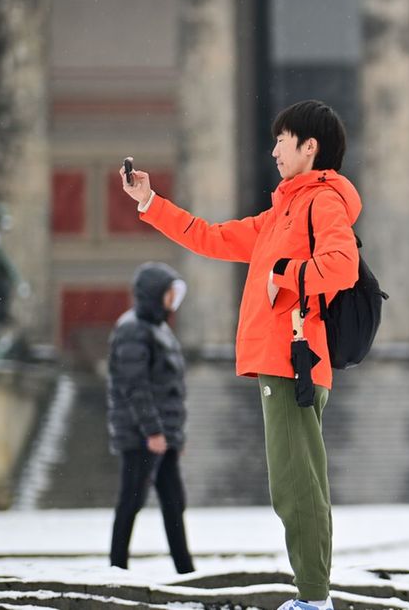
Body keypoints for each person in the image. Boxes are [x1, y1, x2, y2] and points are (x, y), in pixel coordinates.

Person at [121, 100, 361, 610]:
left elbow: (342, 265)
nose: (273, 149)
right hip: (277, 358)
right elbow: (209, 237)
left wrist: (284, 279)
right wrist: (150, 202)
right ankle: (313, 596)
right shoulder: (282, 212)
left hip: (294, 360)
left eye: (282, 139)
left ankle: (315, 599)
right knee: (295, 482)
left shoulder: (322, 202)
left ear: (309, 146)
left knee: (298, 485)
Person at [107, 261, 194, 574]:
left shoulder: (158, 328)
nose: (173, 300)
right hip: (142, 435)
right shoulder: (132, 328)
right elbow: (136, 386)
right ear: (154, 294)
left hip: (162, 436)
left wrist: (174, 436)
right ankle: (116, 567)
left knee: (173, 502)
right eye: (169, 293)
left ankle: (185, 569)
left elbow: (169, 389)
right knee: (131, 500)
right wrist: (153, 431)